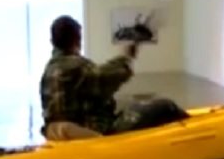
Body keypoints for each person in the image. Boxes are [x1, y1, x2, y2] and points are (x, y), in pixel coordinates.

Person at [40, 15, 188, 141]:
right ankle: (192, 129)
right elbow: (106, 79)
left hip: (58, 130)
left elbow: (97, 73)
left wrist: (123, 58)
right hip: (96, 130)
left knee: (128, 105)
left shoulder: (50, 69)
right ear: (76, 39)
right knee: (165, 106)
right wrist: (127, 58)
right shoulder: (75, 66)